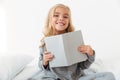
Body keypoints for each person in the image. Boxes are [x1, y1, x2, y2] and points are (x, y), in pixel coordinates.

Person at [28, 4, 115, 80]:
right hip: (53, 78)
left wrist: (90, 54)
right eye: (56, 15)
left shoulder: (75, 40)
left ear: (69, 21)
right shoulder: (45, 44)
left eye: (65, 17)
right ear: (50, 19)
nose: (61, 18)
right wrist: (44, 62)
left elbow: (83, 66)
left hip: (76, 77)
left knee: (109, 76)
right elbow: (41, 66)